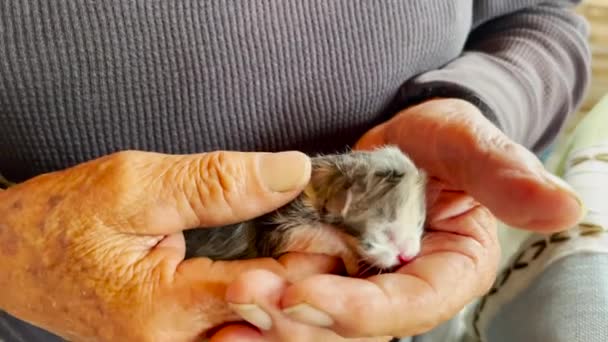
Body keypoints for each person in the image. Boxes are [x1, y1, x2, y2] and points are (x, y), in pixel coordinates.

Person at [0, 1, 591, 341]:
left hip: (401, 316)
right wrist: (11, 251)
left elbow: (539, 18)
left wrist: (480, 108)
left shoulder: (385, 212)